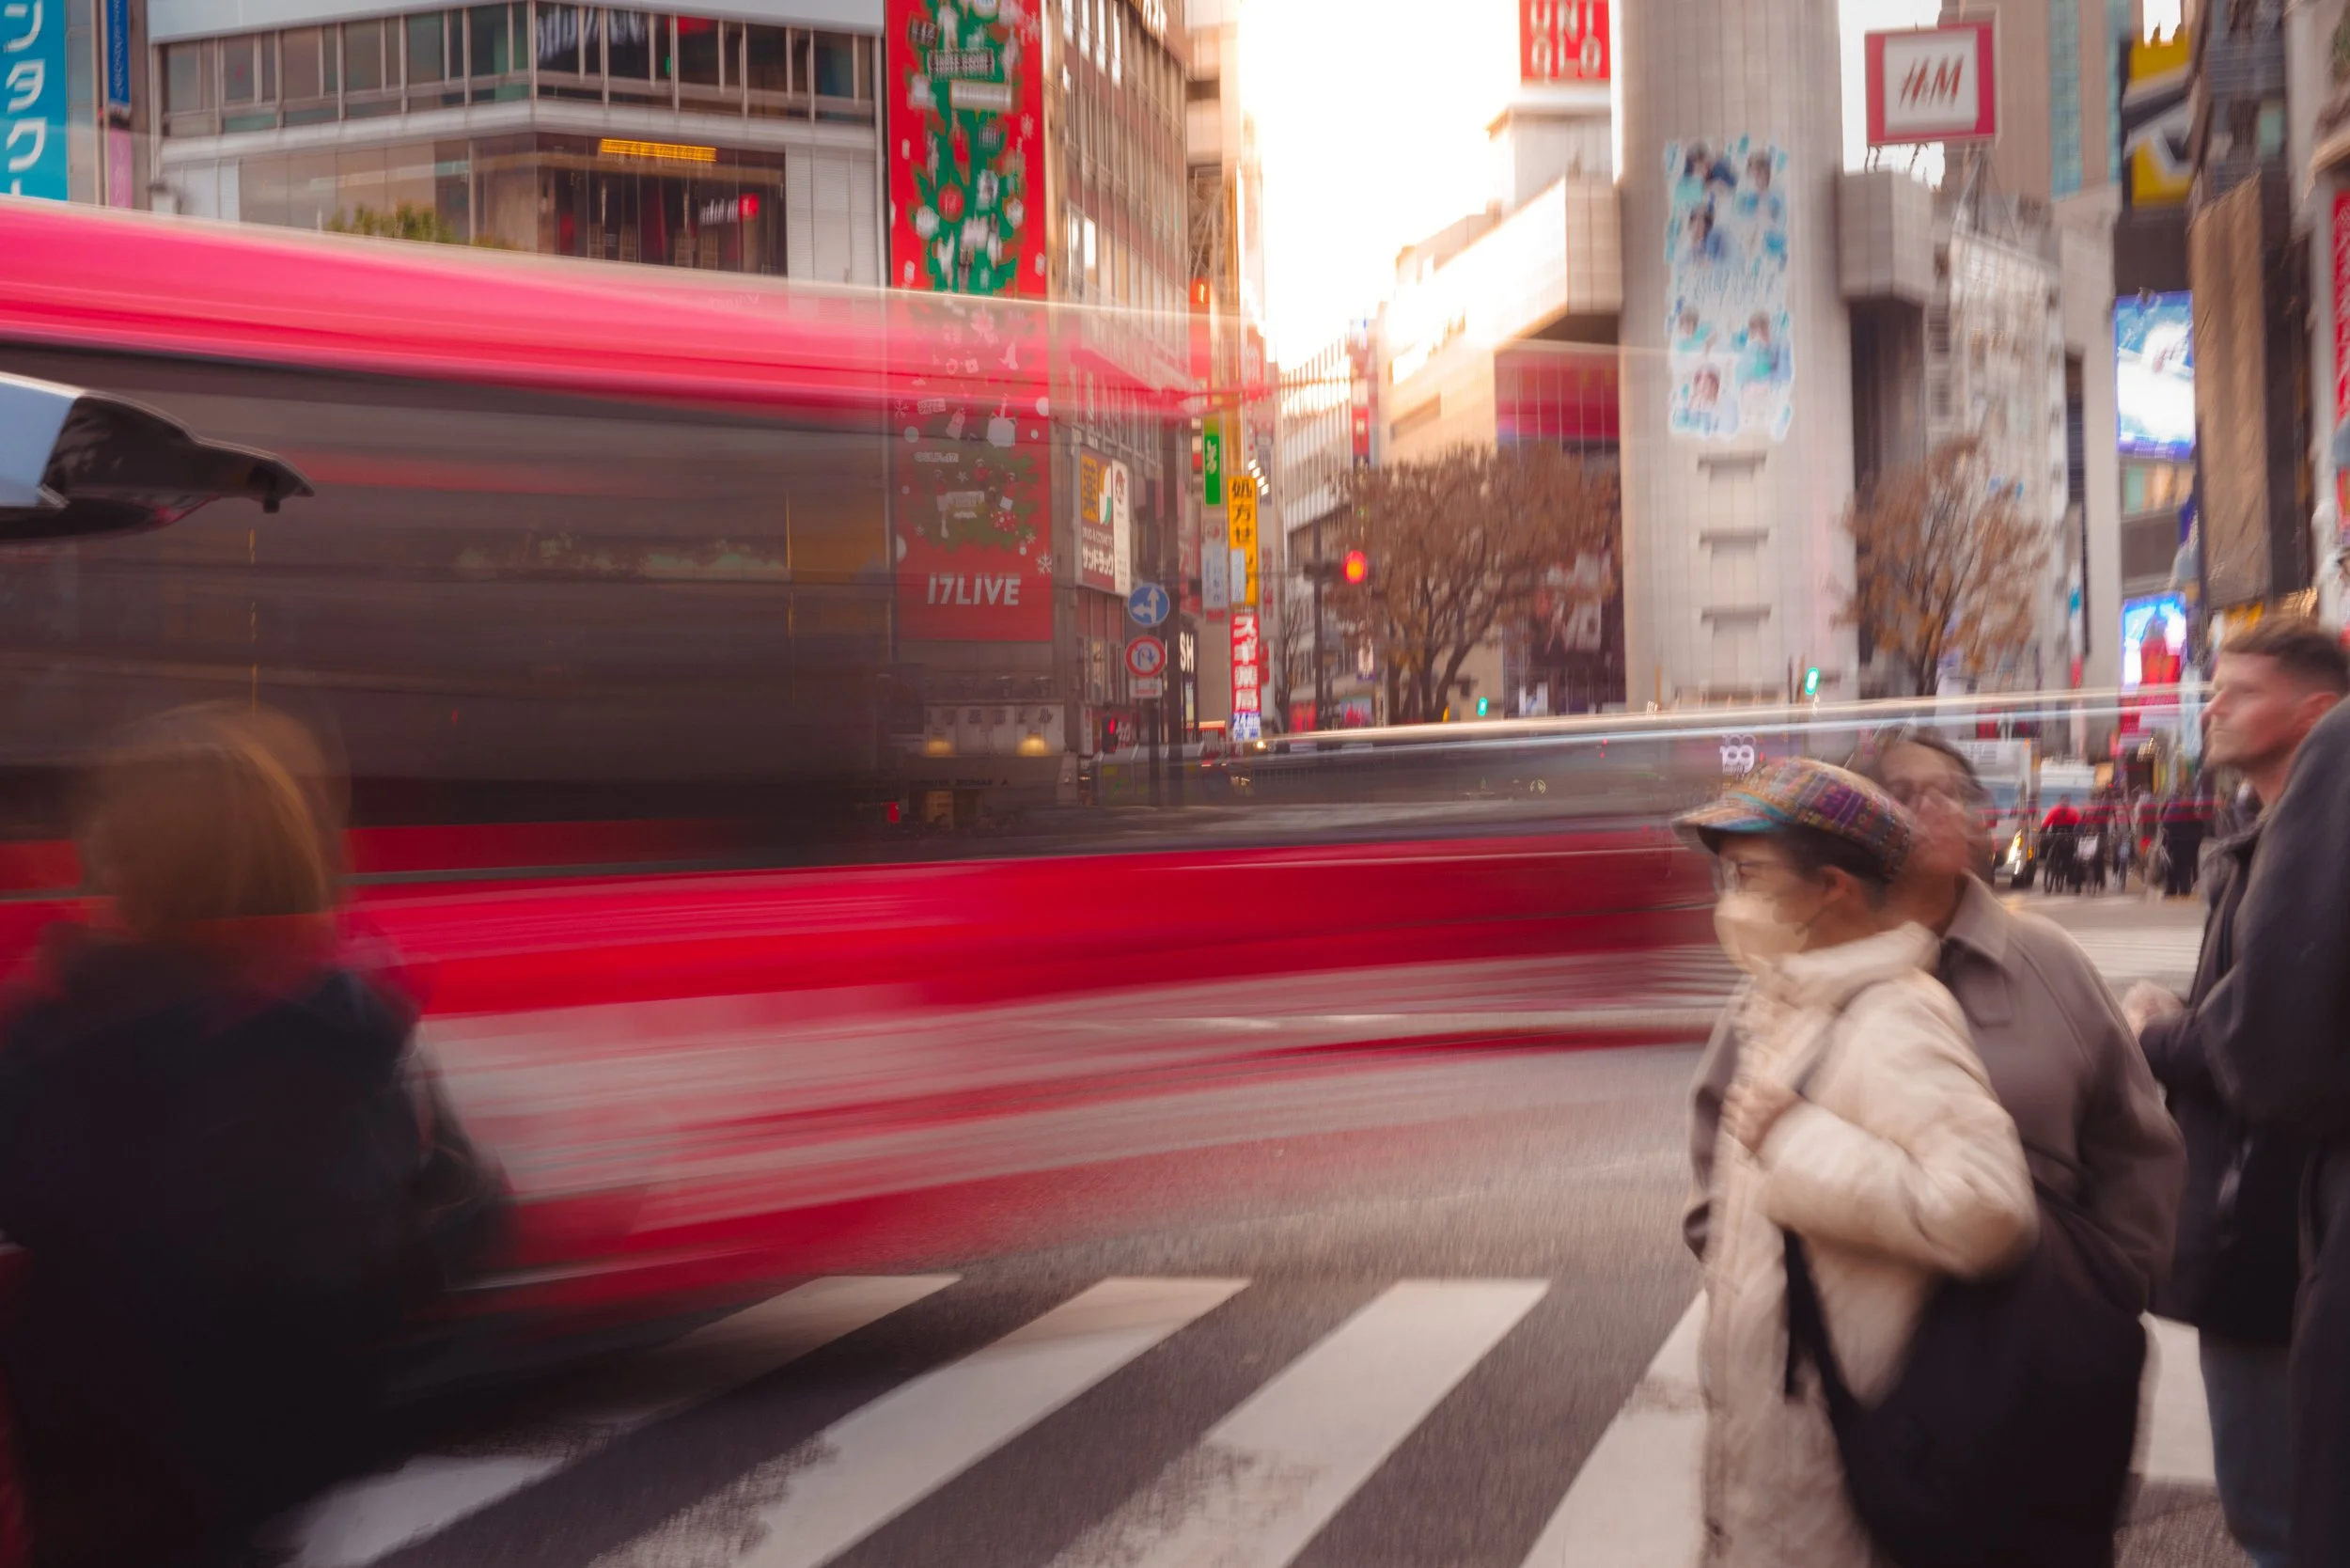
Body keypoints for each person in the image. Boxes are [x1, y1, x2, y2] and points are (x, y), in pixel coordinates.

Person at [0, 705, 497, 1568]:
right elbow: (444, 1219)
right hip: (285, 1450)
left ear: (131, 866)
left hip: (104, 1469)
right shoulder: (349, 1024)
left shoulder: (65, 1036)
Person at [1680, 758, 2039, 1567]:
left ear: (1832, 887)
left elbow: (1988, 1207)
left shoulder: (1895, 1016)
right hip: (1788, 1454)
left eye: (1749, 875)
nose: (1730, 900)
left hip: (1840, 1463)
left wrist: (1799, 1145)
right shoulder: (1795, 1003)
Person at [1690, 729, 2185, 1307]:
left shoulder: (2047, 960)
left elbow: (2136, 1147)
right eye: (1904, 791)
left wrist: (2113, 1287)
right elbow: (1718, 1165)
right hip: (1843, 1365)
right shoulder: (1787, 974)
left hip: (2042, 1344)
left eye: (1952, 791)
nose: (1938, 807)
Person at [2122, 619, 2349, 1568]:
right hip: (2262, 1232)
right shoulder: (2251, 840)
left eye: (2239, 693)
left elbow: (2269, 1038)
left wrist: (2155, 1034)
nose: (2209, 707)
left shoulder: (2316, 830)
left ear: (2316, 713)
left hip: (2274, 1231)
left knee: (2281, 1521)